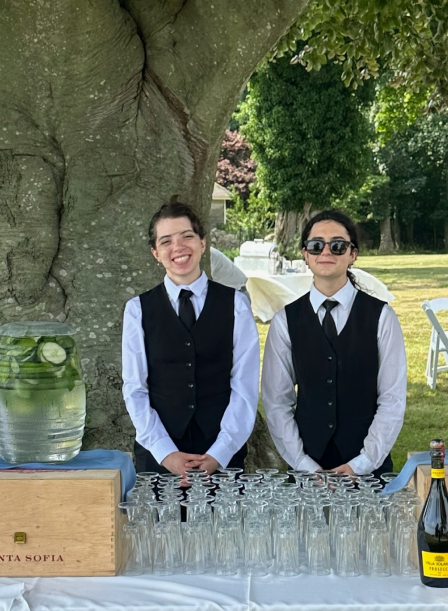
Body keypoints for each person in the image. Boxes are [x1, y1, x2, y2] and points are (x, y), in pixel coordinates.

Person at [262, 209, 407, 477]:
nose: (326, 252)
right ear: (305, 254)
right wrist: (304, 464)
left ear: (353, 254)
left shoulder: (382, 317)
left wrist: (361, 464)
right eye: (317, 245)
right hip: (307, 470)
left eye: (338, 245)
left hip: (369, 473)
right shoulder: (285, 321)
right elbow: (276, 402)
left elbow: (392, 400)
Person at [122, 200, 260, 481]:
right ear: (155, 253)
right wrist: (166, 453)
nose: (178, 247)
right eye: (166, 241)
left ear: (202, 243)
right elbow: (135, 389)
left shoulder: (236, 304)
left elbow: (245, 387)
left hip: (223, 453)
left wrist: (220, 453)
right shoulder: (137, 309)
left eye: (187, 236)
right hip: (158, 455)